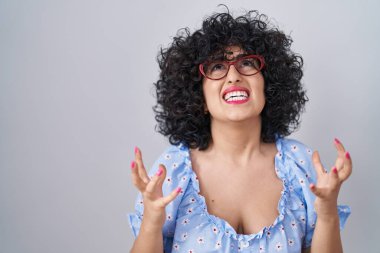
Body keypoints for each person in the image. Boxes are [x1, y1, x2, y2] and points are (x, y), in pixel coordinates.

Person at [128, 9, 352, 253]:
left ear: (269, 84)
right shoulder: (172, 170)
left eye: (247, 63)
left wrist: (328, 213)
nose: (233, 76)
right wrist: (151, 221)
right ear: (197, 96)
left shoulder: (301, 164)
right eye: (216, 67)